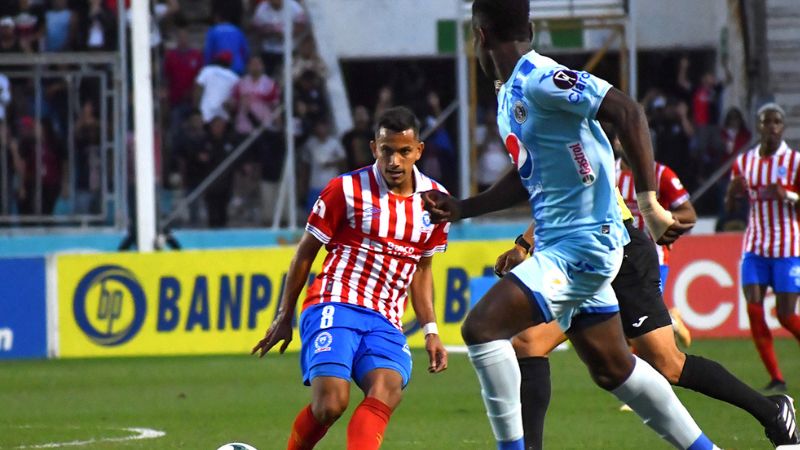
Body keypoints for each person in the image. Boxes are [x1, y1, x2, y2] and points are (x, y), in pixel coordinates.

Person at [423, 1, 716, 448]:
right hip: (568, 246)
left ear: (480, 36)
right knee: (613, 369)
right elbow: (530, 173)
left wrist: (649, 204)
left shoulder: (542, 78)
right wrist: (464, 208)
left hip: (584, 245)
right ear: (531, 28)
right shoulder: (511, 92)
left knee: (481, 328)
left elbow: (628, 111)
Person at [494, 140, 798, 449]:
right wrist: (523, 244)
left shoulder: (561, 129)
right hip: (583, 258)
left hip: (619, 251)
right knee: (528, 343)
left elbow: (574, 194)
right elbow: (554, 199)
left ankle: (772, 411)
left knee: (668, 364)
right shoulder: (537, 130)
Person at [252, 107, 449, 450]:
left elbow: (421, 268)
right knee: (330, 404)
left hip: (386, 318)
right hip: (335, 302)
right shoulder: (344, 189)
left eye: (404, 151)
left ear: (418, 150)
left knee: (387, 389)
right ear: (374, 148)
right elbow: (305, 253)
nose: (394, 161)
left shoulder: (436, 202)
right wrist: (285, 316)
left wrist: (431, 330)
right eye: (387, 150)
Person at [726, 102, 800, 393]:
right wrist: (732, 195)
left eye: (777, 122)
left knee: (785, 314)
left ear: (783, 127)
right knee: (755, 311)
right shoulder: (744, 163)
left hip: (788, 248)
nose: (772, 127)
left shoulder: (795, 161)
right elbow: (731, 206)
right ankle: (776, 377)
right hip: (755, 246)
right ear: (758, 126)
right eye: (767, 122)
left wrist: (790, 196)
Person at [614, 128, 694, 346]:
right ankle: (671, 319)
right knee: (625, 324)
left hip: (653, 257)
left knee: (640, 330)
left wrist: (662, 217)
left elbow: (689, 214)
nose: (624, 143)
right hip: (615, 255)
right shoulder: (608, 173)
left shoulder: (661, 174)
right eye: (621, 138)